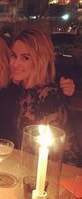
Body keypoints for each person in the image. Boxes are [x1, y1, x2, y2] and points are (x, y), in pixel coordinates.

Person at [10, 28, 79, 165]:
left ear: (40, 60)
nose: (15, 64)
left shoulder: (48, 96)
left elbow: (53, 153)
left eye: (25, 58)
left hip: (60, 172)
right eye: (13, 56)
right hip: (28, 166)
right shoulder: (22, 90)